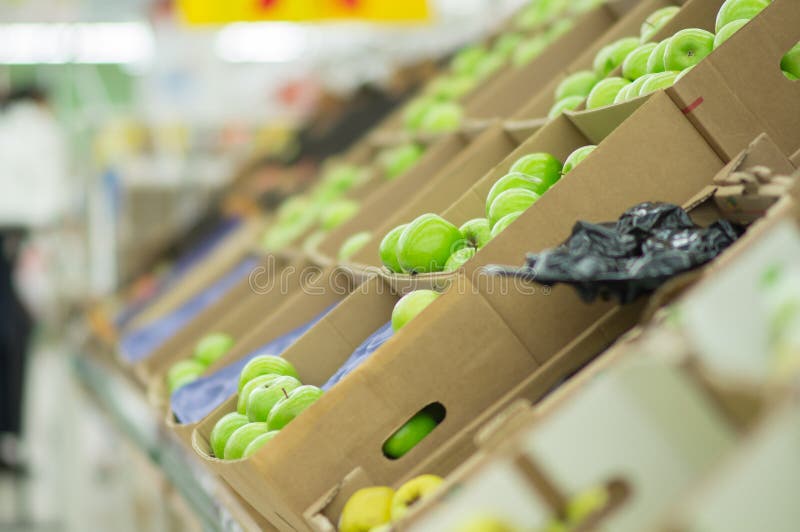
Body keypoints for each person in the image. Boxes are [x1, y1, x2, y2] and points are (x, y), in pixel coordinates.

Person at [0, 86, 67, 473]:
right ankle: (11, 442)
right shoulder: (38, 130)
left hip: (13, 245)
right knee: (13, 335)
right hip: (15, 242)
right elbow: (49, 202)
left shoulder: (13, 126)